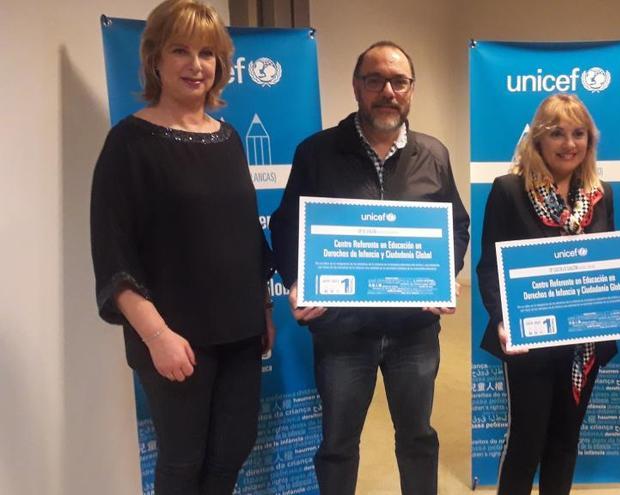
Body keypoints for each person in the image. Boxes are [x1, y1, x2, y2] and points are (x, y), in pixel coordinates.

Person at [269, 41, 470, 495]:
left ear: (411, 90)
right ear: (357, 87)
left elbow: (455, 223)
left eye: (399, 81)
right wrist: (296, 283)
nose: (388, 91)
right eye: (375, 79)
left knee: (418, 437)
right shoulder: (317, 152)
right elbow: (286, 226)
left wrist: (446, 275)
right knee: (338, 443)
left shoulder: (433, 153)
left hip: (414, 332)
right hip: (343, 331)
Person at [90, 1, 274, 493]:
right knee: (182, 462)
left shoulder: (230, 138)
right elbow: (113, 255)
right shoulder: (128, 143)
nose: (196, 65)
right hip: (175, 339)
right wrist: (156, 337)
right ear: (155, 59)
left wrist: (263, 309)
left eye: (207, 53)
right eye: (181, 51)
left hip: (240, 332)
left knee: (232, 450)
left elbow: (244, 234)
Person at [475, 93, 618, 495]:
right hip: (529, 341)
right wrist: (503, 319)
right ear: (538, 140)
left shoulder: (601, 194)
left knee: (565, 443)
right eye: (557, 133)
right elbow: (490, 268)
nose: (569, 144)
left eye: (579, 134)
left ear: (590, 141)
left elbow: (609, 266)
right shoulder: (508, 190)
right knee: (526, 443)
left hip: (583, 344)